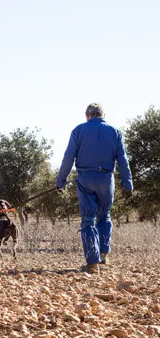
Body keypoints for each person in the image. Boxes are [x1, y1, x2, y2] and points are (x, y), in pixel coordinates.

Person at [56, 103, 133, 274]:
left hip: (85, 179)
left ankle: (92, 264)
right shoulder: (115, 132)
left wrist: (61, 182)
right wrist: (128, 184)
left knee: (88, 219)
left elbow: (68, 158)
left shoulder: (78, 130)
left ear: (87, 115)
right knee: (104, 215)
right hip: (107, 179)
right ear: (103, 115)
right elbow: (123, 160)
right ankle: (103, 254)